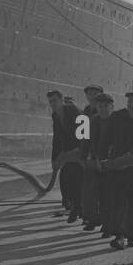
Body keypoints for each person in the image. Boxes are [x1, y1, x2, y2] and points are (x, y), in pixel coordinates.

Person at [95, 93, 133, 249]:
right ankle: (118, 235)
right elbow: (102, 139)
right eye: (99, 106)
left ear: (112, 106)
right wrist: (97, 157)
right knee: (117, 201)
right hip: (114, 166)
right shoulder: (89, 118)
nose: (102, 109)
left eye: (106, 106)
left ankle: (132, 234)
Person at [47, 90, 82, 223]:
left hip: (80, 149)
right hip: (68, 151)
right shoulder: (55, 115)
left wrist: (80, 150)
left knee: (76, 178)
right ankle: (73, 206)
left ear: (61, 100)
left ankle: (77, 208)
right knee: (65, 179)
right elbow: (57, 138)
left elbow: (85, 130)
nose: (53, 104)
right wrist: (54, 159)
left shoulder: (74, 110)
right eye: (50, 102)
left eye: (55, 101)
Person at [78, 84, 104, 231]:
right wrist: (82, 155)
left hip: (103, 156)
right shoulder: (85, 112)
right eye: (89, 94)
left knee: (103, 190)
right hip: (89, 156)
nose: (92, 96)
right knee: (89, 190)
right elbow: (81, 136)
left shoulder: (107, 111)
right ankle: (92, 218)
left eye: (95, 93)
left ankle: (103, 219)